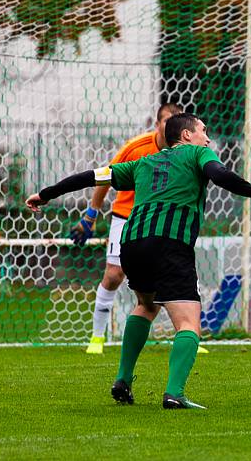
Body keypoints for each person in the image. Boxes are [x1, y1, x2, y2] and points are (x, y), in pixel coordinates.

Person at [26, 112, 251, 409]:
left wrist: (46, 194)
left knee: (146, 306)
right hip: (169, 244)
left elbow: (92, 176)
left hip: (133, 242)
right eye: (204, 130)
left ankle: (123, 380)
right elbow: (220, 174)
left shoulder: (143, 162)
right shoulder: (198, 153)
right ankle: (174, 393)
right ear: (187, 135)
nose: (208, 137)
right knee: (189, 324)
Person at [70, 102, 183, 355]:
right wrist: (91, 214)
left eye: (176, 121)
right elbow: (104, 176)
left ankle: (188, 336)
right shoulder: (136, 147)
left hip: (160, 219)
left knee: (177, 275)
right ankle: (97, 338)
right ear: (157, 124)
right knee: (113, 274)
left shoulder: (185, 152)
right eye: (166, 121)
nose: (171, 126)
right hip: (126, 216)